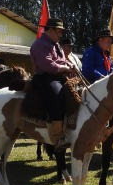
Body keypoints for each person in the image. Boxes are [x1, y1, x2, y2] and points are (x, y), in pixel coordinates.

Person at [29, 18, 77, 149]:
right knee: (58, 96)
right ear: (50, 30)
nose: (61, 35)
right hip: (45, 78)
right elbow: (48, 65)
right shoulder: (39, 44)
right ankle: (58, 136)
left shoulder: (55, 45)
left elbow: (62, 61)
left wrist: (71, 65)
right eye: (59, 32)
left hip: (58, 77)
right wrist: (67, 68)